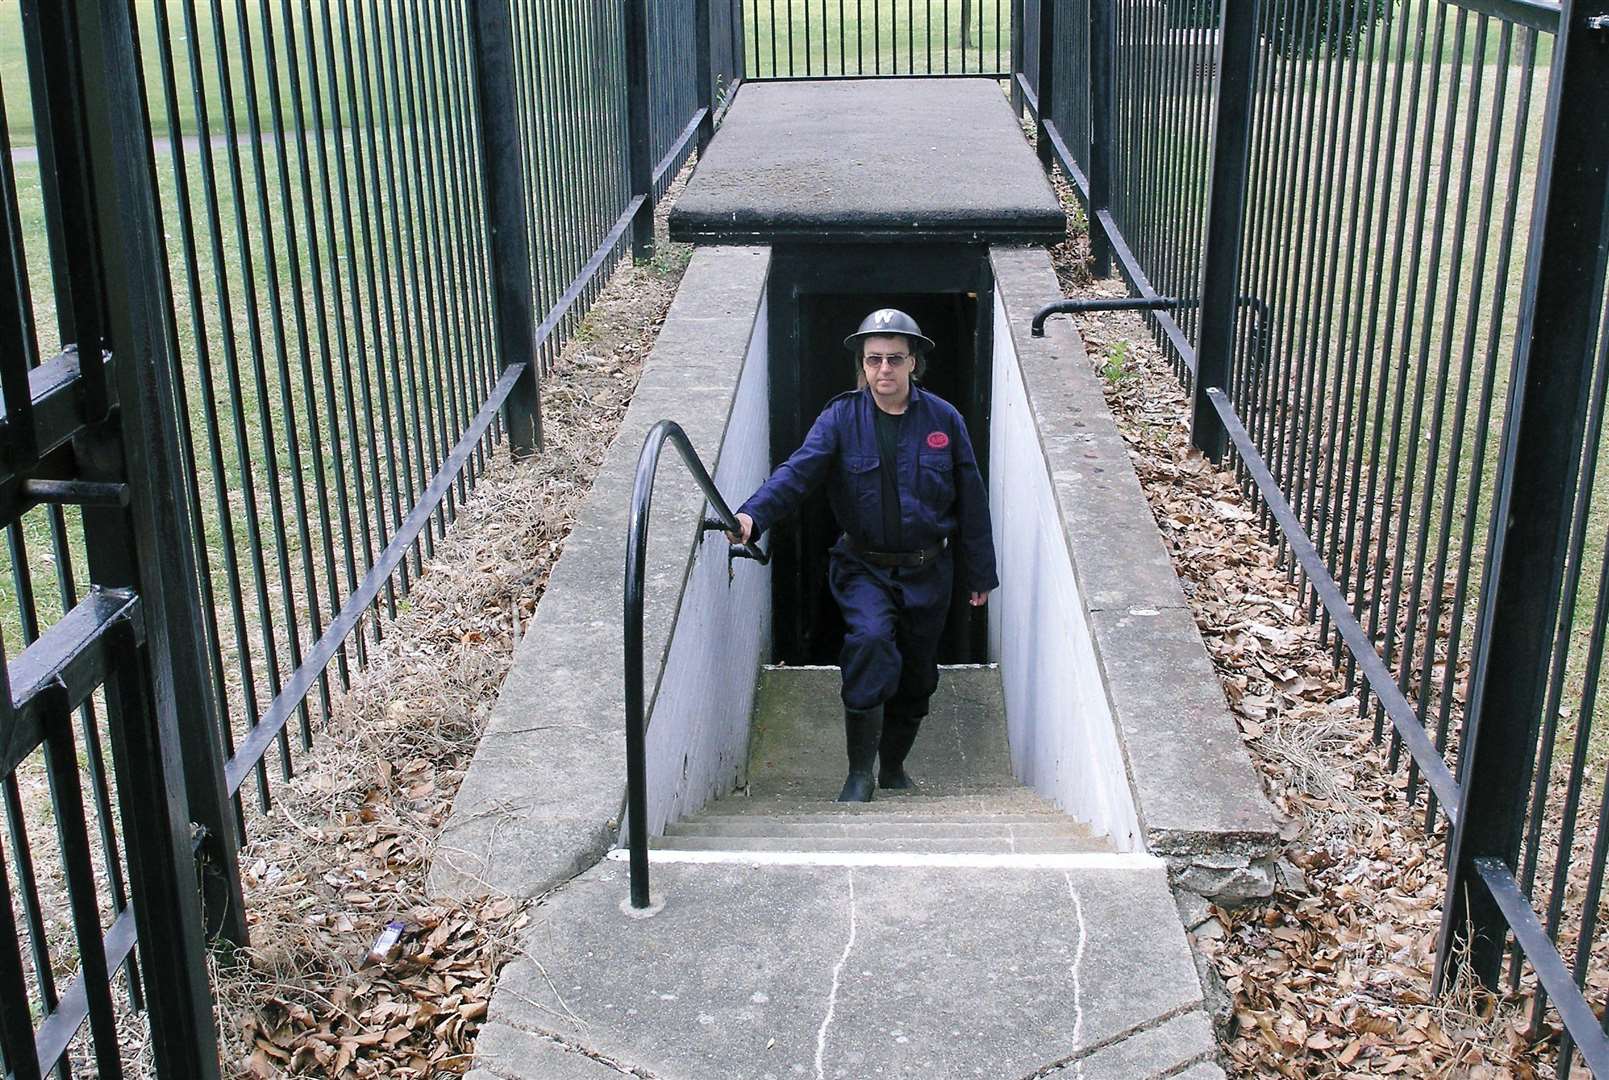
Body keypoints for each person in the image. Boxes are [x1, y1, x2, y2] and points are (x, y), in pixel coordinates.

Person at [729, 308, 998, 802]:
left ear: (914, 362)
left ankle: (893, 767)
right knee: (870, 643)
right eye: (874, 360)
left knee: (918, 674)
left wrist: (980, 572)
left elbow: (972, 499)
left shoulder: (944, 419)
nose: (884, 370)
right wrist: (751, 518)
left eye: (895, 359)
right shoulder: (840, 418)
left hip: (928, 570)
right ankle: (858, 773)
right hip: (863, 567)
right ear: (863, 364)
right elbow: (797, 473)